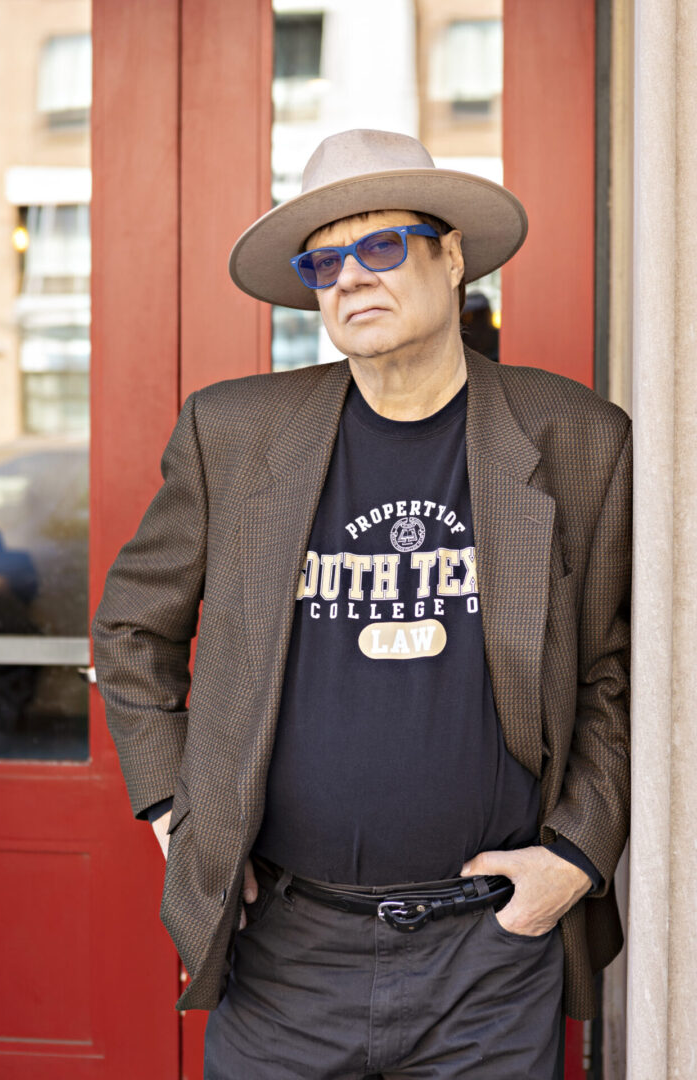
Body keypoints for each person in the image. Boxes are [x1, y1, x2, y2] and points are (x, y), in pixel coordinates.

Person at [91, 129, 631, 1080]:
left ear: (451, 253)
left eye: (381, 246)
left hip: (490, 961)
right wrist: (181, 809)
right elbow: (132, 630)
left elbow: (616, 671)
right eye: (324, 261)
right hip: (285, 954)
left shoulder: (576, 437)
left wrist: (574, 862)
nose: (350, 277)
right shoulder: (235, 432)